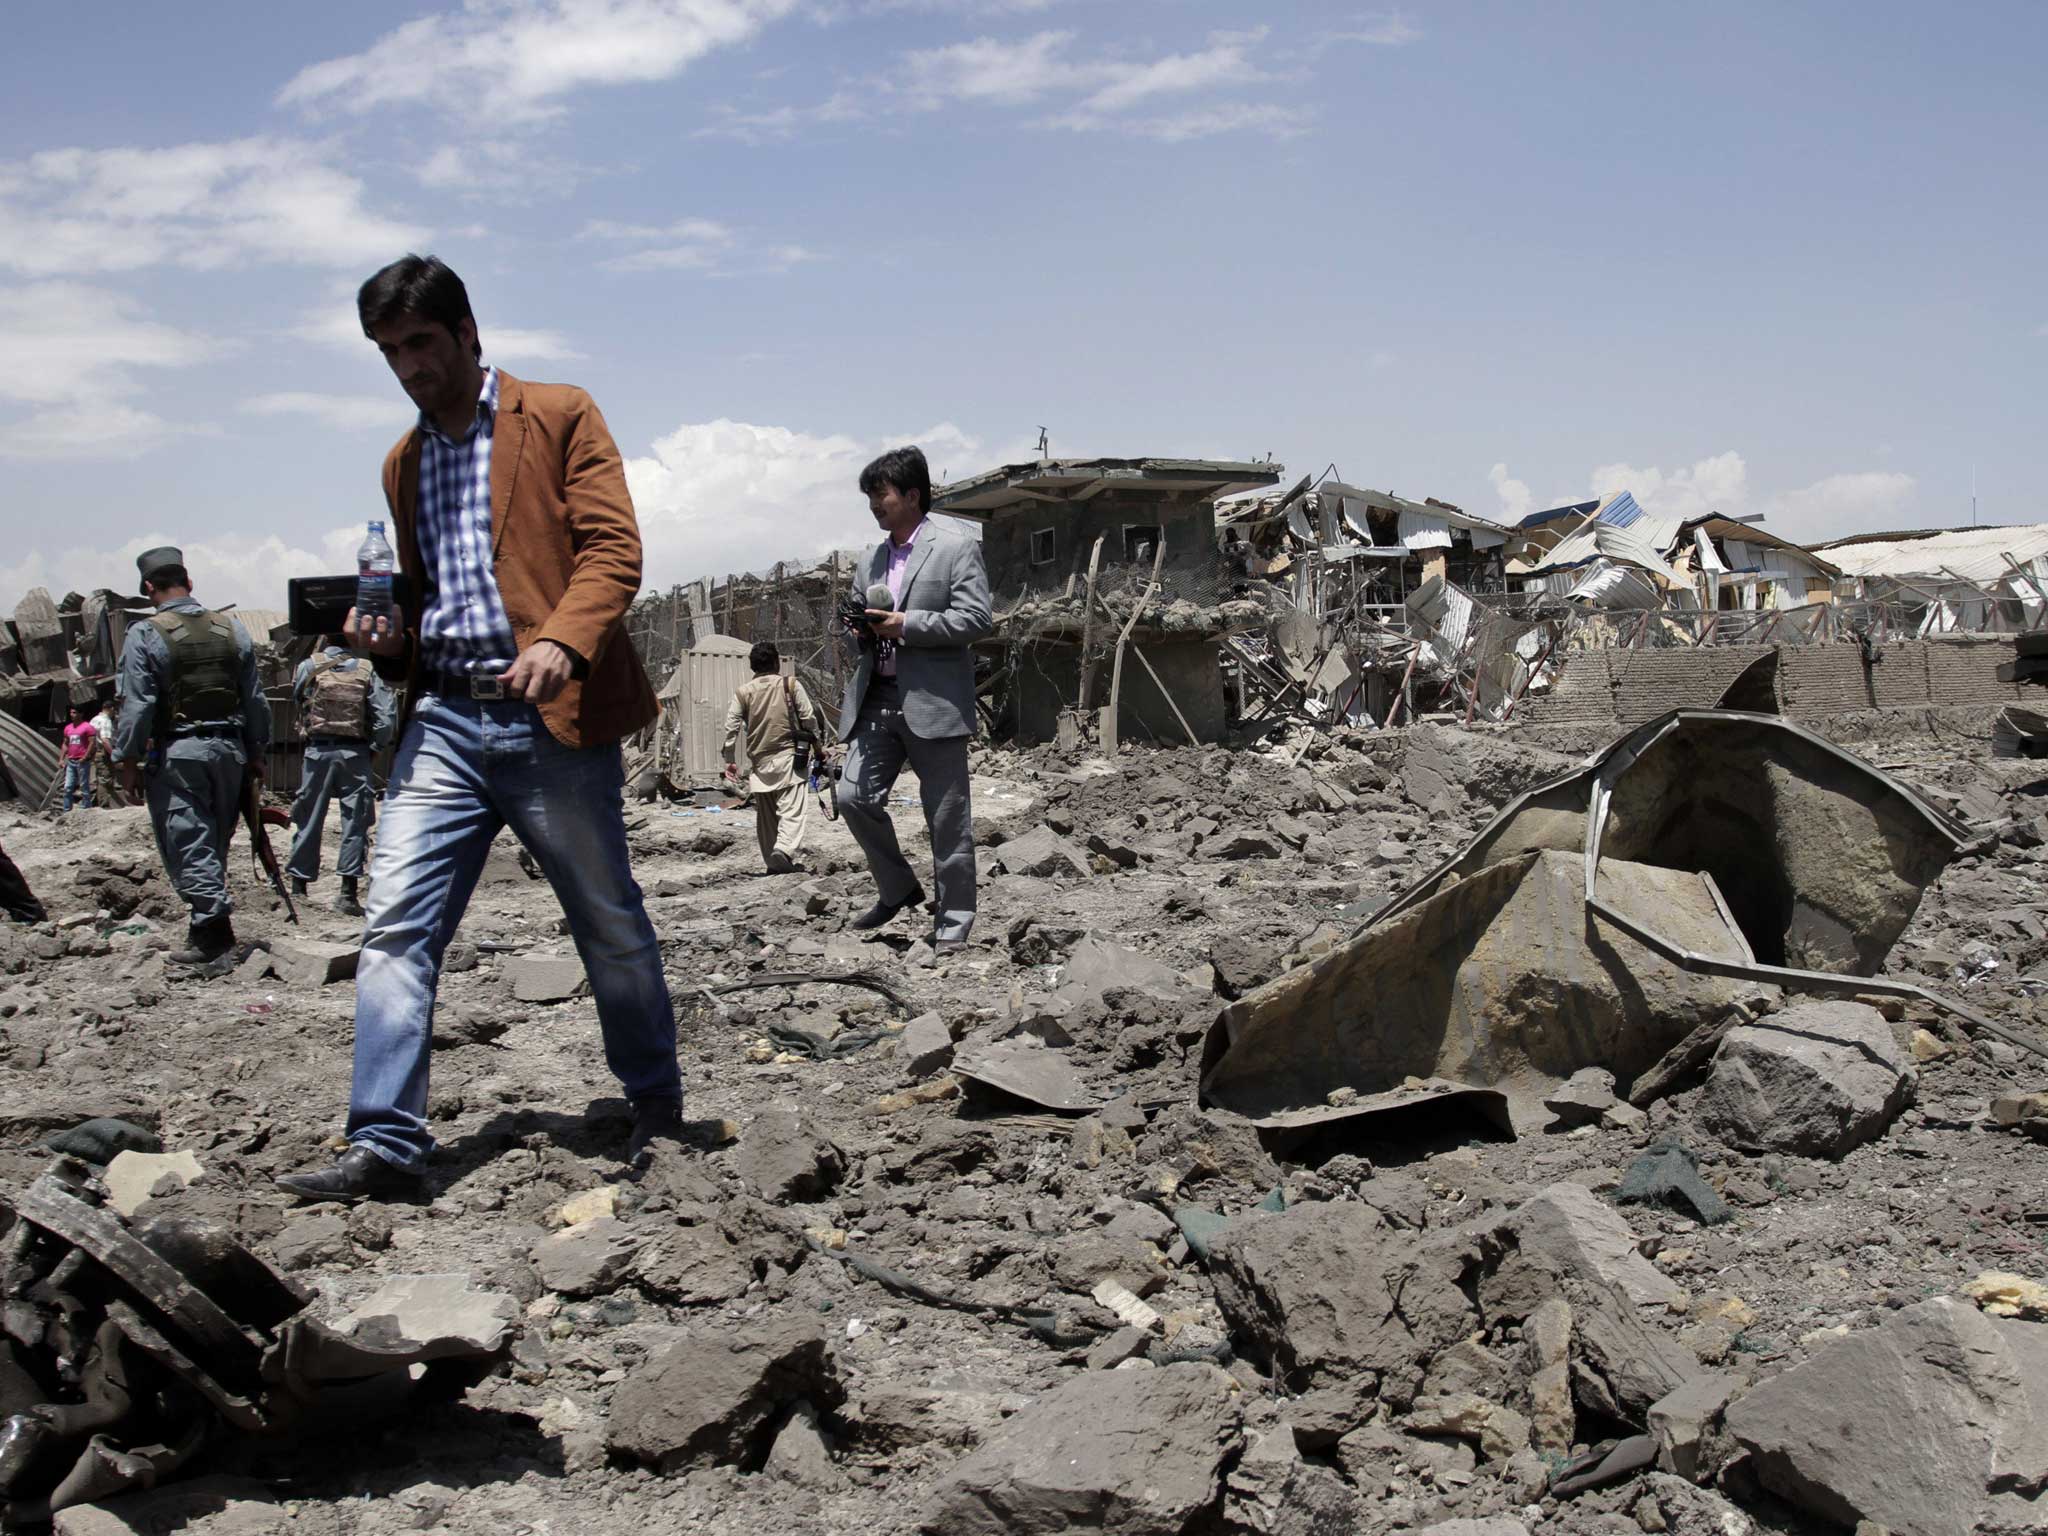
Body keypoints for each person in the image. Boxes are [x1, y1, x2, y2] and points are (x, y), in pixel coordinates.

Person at [277, 254, 681, 1204]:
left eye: (420, 343)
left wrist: (563, 645)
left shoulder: (558, 413)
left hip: (552, 719)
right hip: (445, 721)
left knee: (606, 919)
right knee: (395, 927)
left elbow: (613, 551)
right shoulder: (403, 462)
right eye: (388, 352)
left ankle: (656, 1101)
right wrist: (382, 642)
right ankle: (384, 1141)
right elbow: (424, 610)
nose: (408, 366)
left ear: (467, 333)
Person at [836, 446, 991, 957]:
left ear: (911, 494)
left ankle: (954, 919)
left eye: (879, 494)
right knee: (852, 797)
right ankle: (899, 889)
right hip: (878, 697)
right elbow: (860, 632)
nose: (874, 505)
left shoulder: (955, 547)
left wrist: (907, 625)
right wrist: (858, 631)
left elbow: (975, 620)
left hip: (934, 700)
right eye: (870, 497)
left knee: (947, 816)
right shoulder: (869, 559)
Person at [109, 548, 270, 965]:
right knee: (212, 842)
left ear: (148, 588)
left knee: (188, 841)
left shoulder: (145, 634)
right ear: (190, 582)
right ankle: (203, 930)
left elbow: (138, 705)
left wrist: (128, 762)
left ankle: (215, 938)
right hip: (231, 752)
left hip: (180, 754)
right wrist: (256, 753)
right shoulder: (232, 629)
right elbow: (255, 700)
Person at [287, 634, 397, 916]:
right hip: (355, 754)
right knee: (355, 822)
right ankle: (347, 894)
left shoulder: (308, 666)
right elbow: (385, 719)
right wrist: (374, 749)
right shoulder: (367, 669)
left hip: (317, 752)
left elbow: (297, 699)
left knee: (308, 819)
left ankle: (299, 888)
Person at [721, 641, 826, 874]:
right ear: (777, 662)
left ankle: (773, 862)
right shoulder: (790, 684)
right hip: (789, 756)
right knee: (792, 810)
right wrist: (818, 747)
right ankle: (785, 850)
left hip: (759, 762)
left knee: (766, 818)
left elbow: (731, 727)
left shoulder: (743, 692)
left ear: (752, 666)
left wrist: (729, 759)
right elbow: (808, 719)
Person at [61, 705, 96, 812]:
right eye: (71, 712)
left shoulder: (87, 727)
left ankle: (87, 809)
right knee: (68, 787)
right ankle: (66, 811)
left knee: (84, 786)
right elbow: (65, 743)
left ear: (81, 714)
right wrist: (61, 758)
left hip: (82, 761)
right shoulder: (68, 728)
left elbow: (92, 743)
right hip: (71, 761)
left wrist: (85, 757)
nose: (72, 715)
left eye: (75, 712)